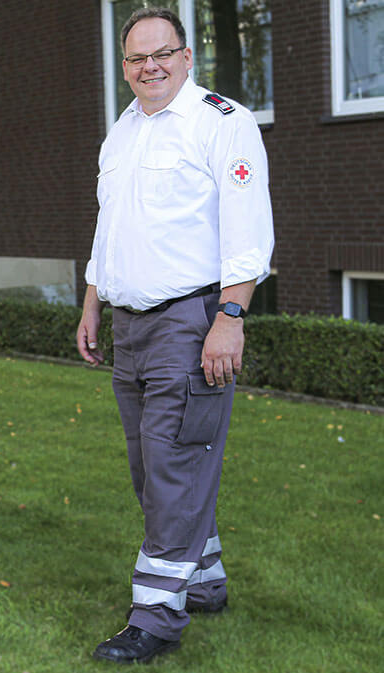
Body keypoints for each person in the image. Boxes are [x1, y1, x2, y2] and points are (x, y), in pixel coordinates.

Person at [76, 8, 274, 664]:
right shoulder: (122, 132)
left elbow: (247, 228)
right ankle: (206, 578)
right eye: (136, 58)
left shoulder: (224, 123)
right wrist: (92, 301)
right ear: (125, 65)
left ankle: (156, 616)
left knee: (172, 463)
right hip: (129, 325)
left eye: (162, 54)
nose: (149, 67)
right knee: (153, 464)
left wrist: (231, 316)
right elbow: (110, 229)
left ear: (187, 57)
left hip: (192, 320)